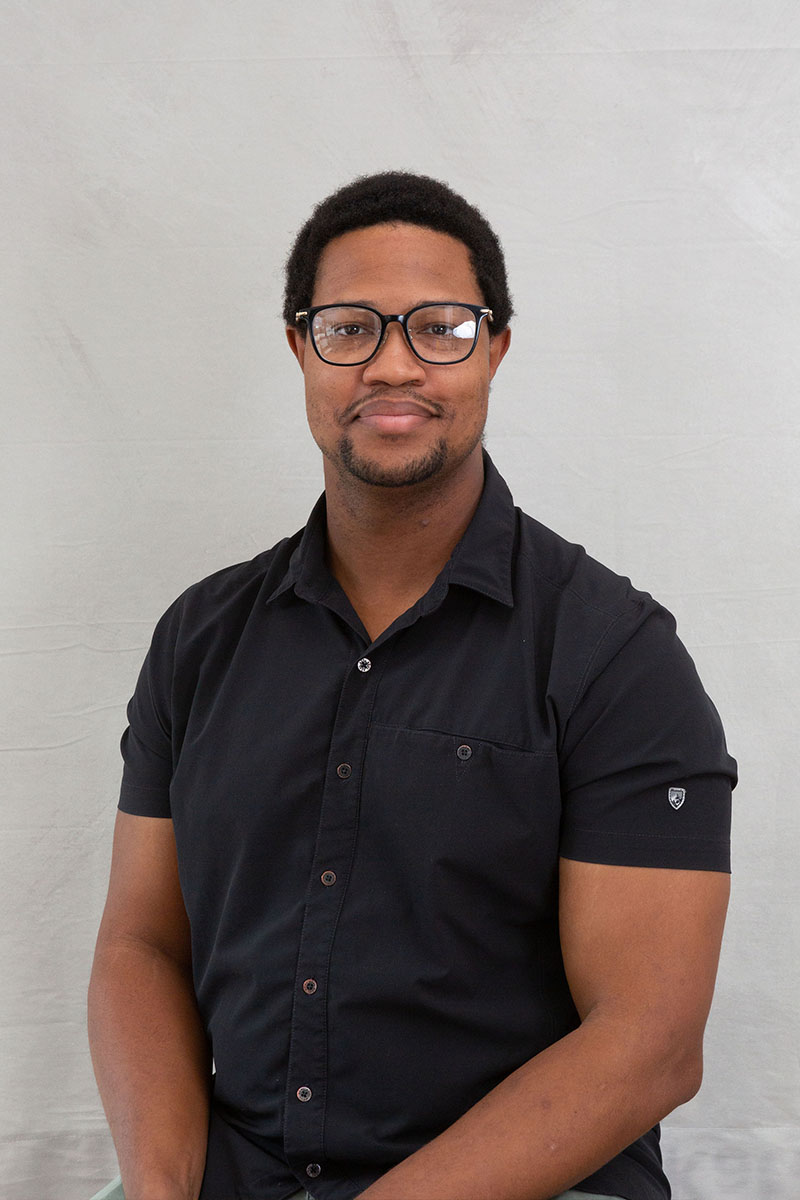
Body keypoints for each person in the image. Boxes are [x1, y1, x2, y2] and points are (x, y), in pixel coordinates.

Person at [88, 171, 736, 1200]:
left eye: (439, 327)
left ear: (496, 348)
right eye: (349, 328)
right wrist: (163, 1191)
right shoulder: (199, 640)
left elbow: (649, 1043)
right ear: (300, 348)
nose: (392, 363)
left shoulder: (616, 654)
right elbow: (139, 942)